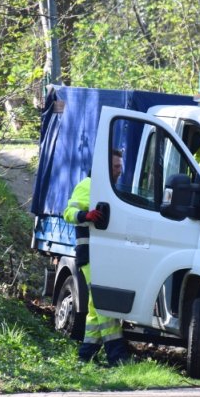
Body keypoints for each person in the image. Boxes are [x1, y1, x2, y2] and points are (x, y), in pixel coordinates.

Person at [64, 150, 130, 365]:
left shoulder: (109, 188)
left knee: (94, 307)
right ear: (103, 167)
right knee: (104, 303)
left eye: (120, 166)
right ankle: (116, 354)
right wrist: (86, 216)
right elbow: (68, 214)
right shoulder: (87, 185)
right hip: (91, 254)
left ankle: (85, 355)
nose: (119, 170)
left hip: (102, 254)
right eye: (114, 166)